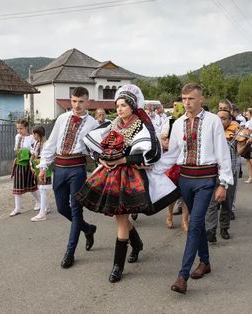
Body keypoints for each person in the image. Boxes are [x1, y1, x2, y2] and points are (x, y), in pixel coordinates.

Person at [76, 84, 180, 283]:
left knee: (121, 217)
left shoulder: (141, 126)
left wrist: (121, 160)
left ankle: (117, 266)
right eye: (118, 105)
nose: (119, 108)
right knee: (119, 216)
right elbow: (94, 145)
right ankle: (137, 244)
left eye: (123, 105)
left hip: (129, 177)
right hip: (109, 173)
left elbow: (149, 154)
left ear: (133, 106)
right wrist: (102, 159)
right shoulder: (113, 124)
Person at [152, 83, 233, 294]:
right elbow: (173, 154)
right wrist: (153, 168)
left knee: (195, 223)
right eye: (184, 99)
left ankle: (182, 275)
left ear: (201, 100)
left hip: (206, 179)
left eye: (191, 99)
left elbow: (223, 153)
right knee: (197, 226)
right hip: (185, 179)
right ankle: (205, 262)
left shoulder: (214, 121)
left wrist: (223, 183)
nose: (187, 103)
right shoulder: (178, 123)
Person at [38, 87, 99, 269]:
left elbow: (95, 150)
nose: (77, 105)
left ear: (88, 102)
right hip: (59, 168)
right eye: (74, 101)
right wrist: (43, 166)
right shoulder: (62, 119)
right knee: (62, 208)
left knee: (75, 211)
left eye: (81, 101)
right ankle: (88, 229)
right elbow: (51, 143)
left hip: (77, 169)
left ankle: (69, 252)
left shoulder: (93, 124)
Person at [205, 110, 242, 242]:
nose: (221, 121)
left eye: (224, 119)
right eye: (219, 118)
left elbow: (240, 152)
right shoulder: (210, 133)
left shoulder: (236, 134)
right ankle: (211, 230)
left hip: (230, 173)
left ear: (230, 120)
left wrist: (246, 142)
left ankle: (224, 228)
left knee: (227, 202)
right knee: (211, 203)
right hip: (212, 172)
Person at [160, 113, 189, 231]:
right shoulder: (171, 122)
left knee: (186, 193)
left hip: (188, 161)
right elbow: (162, 137)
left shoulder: (193, 121)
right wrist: (166, 142)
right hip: (174, 161)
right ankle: (169, 215)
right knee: (172, 192)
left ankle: (184, 220)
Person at [10, 118, 41, 217]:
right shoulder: (17, 136)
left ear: (26, 127)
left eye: (21, 128)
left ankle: (40, 202)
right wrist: (17, 151)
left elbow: (34, 150)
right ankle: (17, 208)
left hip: (29, 164)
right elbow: (15, 147)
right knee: (17, 185)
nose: (19, 131)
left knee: (31, 185)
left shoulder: (31, 138)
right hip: (19, 164)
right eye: (17, 128)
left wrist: (26, 151)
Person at [30, 126, 52, 222]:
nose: (33, 136)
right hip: (38, 167)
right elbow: (34, 154)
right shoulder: (36, 143)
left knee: (43, 188)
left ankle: (43, 211)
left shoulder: (47, 144)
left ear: (39, 134)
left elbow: (49, 157)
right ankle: (45, 207)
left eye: (35, 134)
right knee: (41, 188)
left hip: (45, 168)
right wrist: (31, 163)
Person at [243, 108, 252, 184]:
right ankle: (251, 177)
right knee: (248, 160)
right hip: (247, 142)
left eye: (247, 114)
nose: (246, 116)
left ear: (251, 114)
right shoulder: (247, 122)